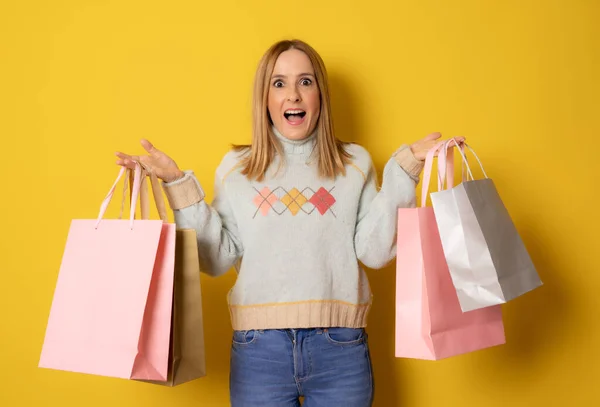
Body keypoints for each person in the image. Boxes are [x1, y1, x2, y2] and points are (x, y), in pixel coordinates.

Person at [117, 39, 462, 407]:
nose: (293, 95)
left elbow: (375, 252)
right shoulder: (236, 168)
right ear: (264, 98)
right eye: (279, 83)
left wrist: (405, 169)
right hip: (258, 352)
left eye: (306, 82)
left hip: (340, 349)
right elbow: (216, 258)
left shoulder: (354, 163)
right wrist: (177, 184)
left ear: (320, 95)